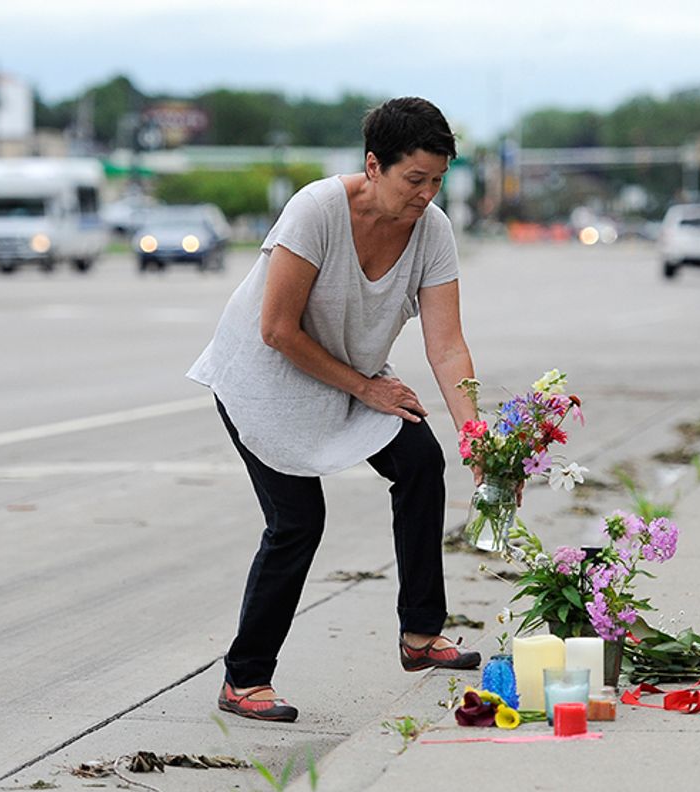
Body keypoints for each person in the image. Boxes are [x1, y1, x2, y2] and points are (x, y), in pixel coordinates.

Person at [187, 97, 482, 723]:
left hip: (350, 374)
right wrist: (367, 388)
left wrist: (477, 437)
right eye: (414, 180)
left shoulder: (433, 231)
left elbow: (447, 345)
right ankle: (244, 678)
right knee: (297, 522)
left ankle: (420, 635)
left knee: (422, 461)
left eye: (437, 180)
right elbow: (276, 329)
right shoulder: (317, 209)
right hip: (265, 375)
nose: (426, 194)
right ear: (373, 166)